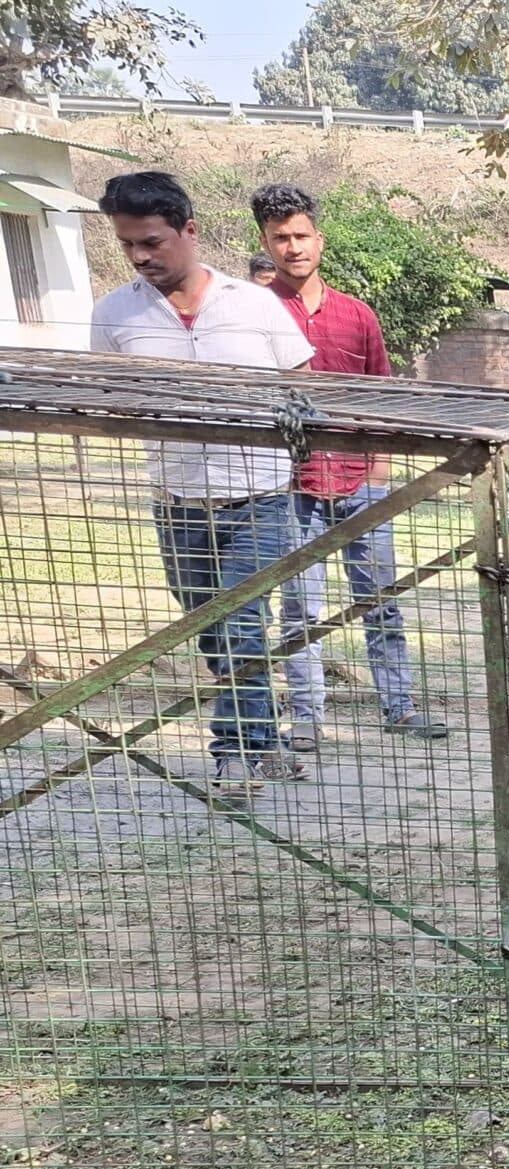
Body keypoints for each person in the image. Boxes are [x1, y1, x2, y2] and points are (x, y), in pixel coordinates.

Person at [90, 170, 314, 797]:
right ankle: (267, 743)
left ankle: (232, 754)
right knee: (212, 632)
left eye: (153, 242)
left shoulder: (253, 304)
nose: (140, 256)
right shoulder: (113, 314)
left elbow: (302, 384)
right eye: (128, 244)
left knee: (242, 624)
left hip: (261, 500)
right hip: (176, 502)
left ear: (189, 231)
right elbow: (109, 397)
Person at [250, 182, 450, 755]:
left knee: (380, 599)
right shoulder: (258, 314)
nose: (293, 247)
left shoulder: (357, 316)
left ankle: (399, 705)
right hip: (292, 487)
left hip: (362, 482)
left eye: (301, 235)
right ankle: (307, 714)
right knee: (300, 608)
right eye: (280, 238)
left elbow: (382, 397)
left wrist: (381, 473)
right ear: (266, 241)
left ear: (320, 239)